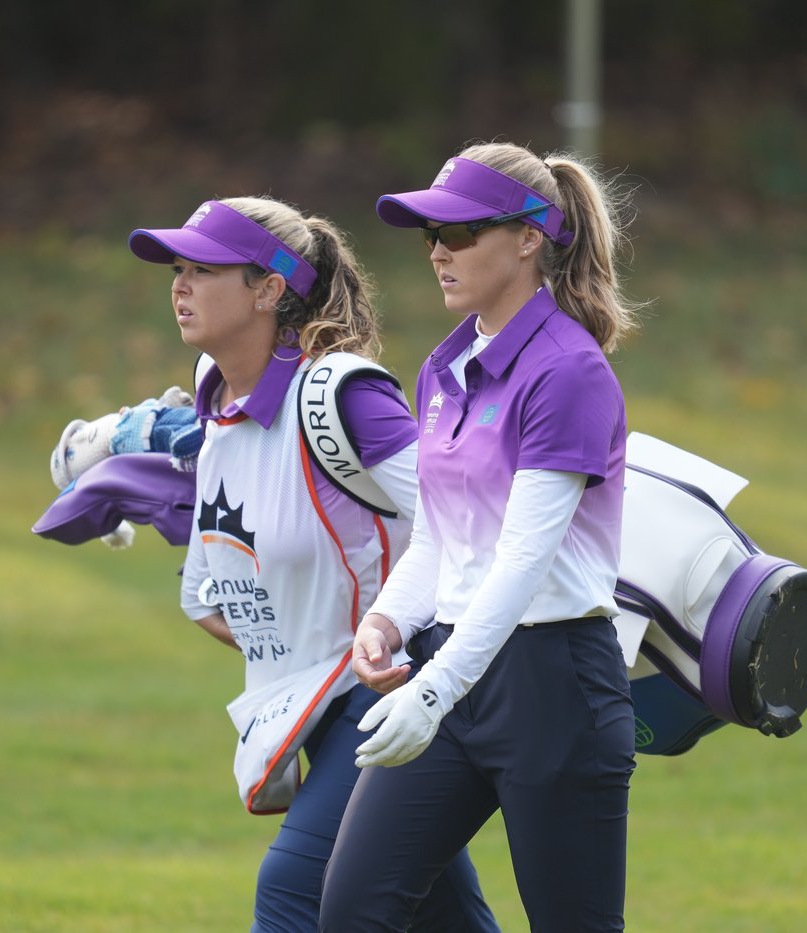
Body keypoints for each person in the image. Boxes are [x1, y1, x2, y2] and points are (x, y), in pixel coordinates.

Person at [126, 196, 498, 933]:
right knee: (441, 917)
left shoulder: (343, 402)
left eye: (204, 269)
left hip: (391, 688)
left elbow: (465, 529)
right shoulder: (218, 408)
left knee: (294, 888)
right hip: (312, 707)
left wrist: (405, 646)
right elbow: (213, 603)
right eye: (178, 269)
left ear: (269, 290)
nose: (180, 285)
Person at [319, 143, 643, 932]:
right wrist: (389, 619)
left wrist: (432, 690)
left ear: (529, 237)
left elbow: (523, 561)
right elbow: (439, 536)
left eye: (459, 233)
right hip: (454, 667)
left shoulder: (569, 370)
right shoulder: (445, 366)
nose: (437, 251)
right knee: (354, 908)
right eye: (430, 233)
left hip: (553, 687)